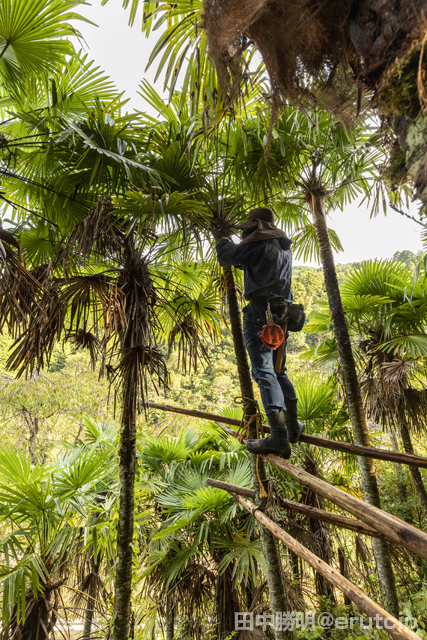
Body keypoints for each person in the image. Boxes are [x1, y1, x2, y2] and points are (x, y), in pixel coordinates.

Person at [216, 207, 304, 459]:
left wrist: (222, 238)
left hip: (260, 315)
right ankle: (292, 427)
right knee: (278, 371)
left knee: (264, 373)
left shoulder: (258, 242)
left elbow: (227, 256)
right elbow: (260, 268)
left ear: (256, 225)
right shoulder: (282, 245)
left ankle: (278, 438)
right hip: (282, 314)